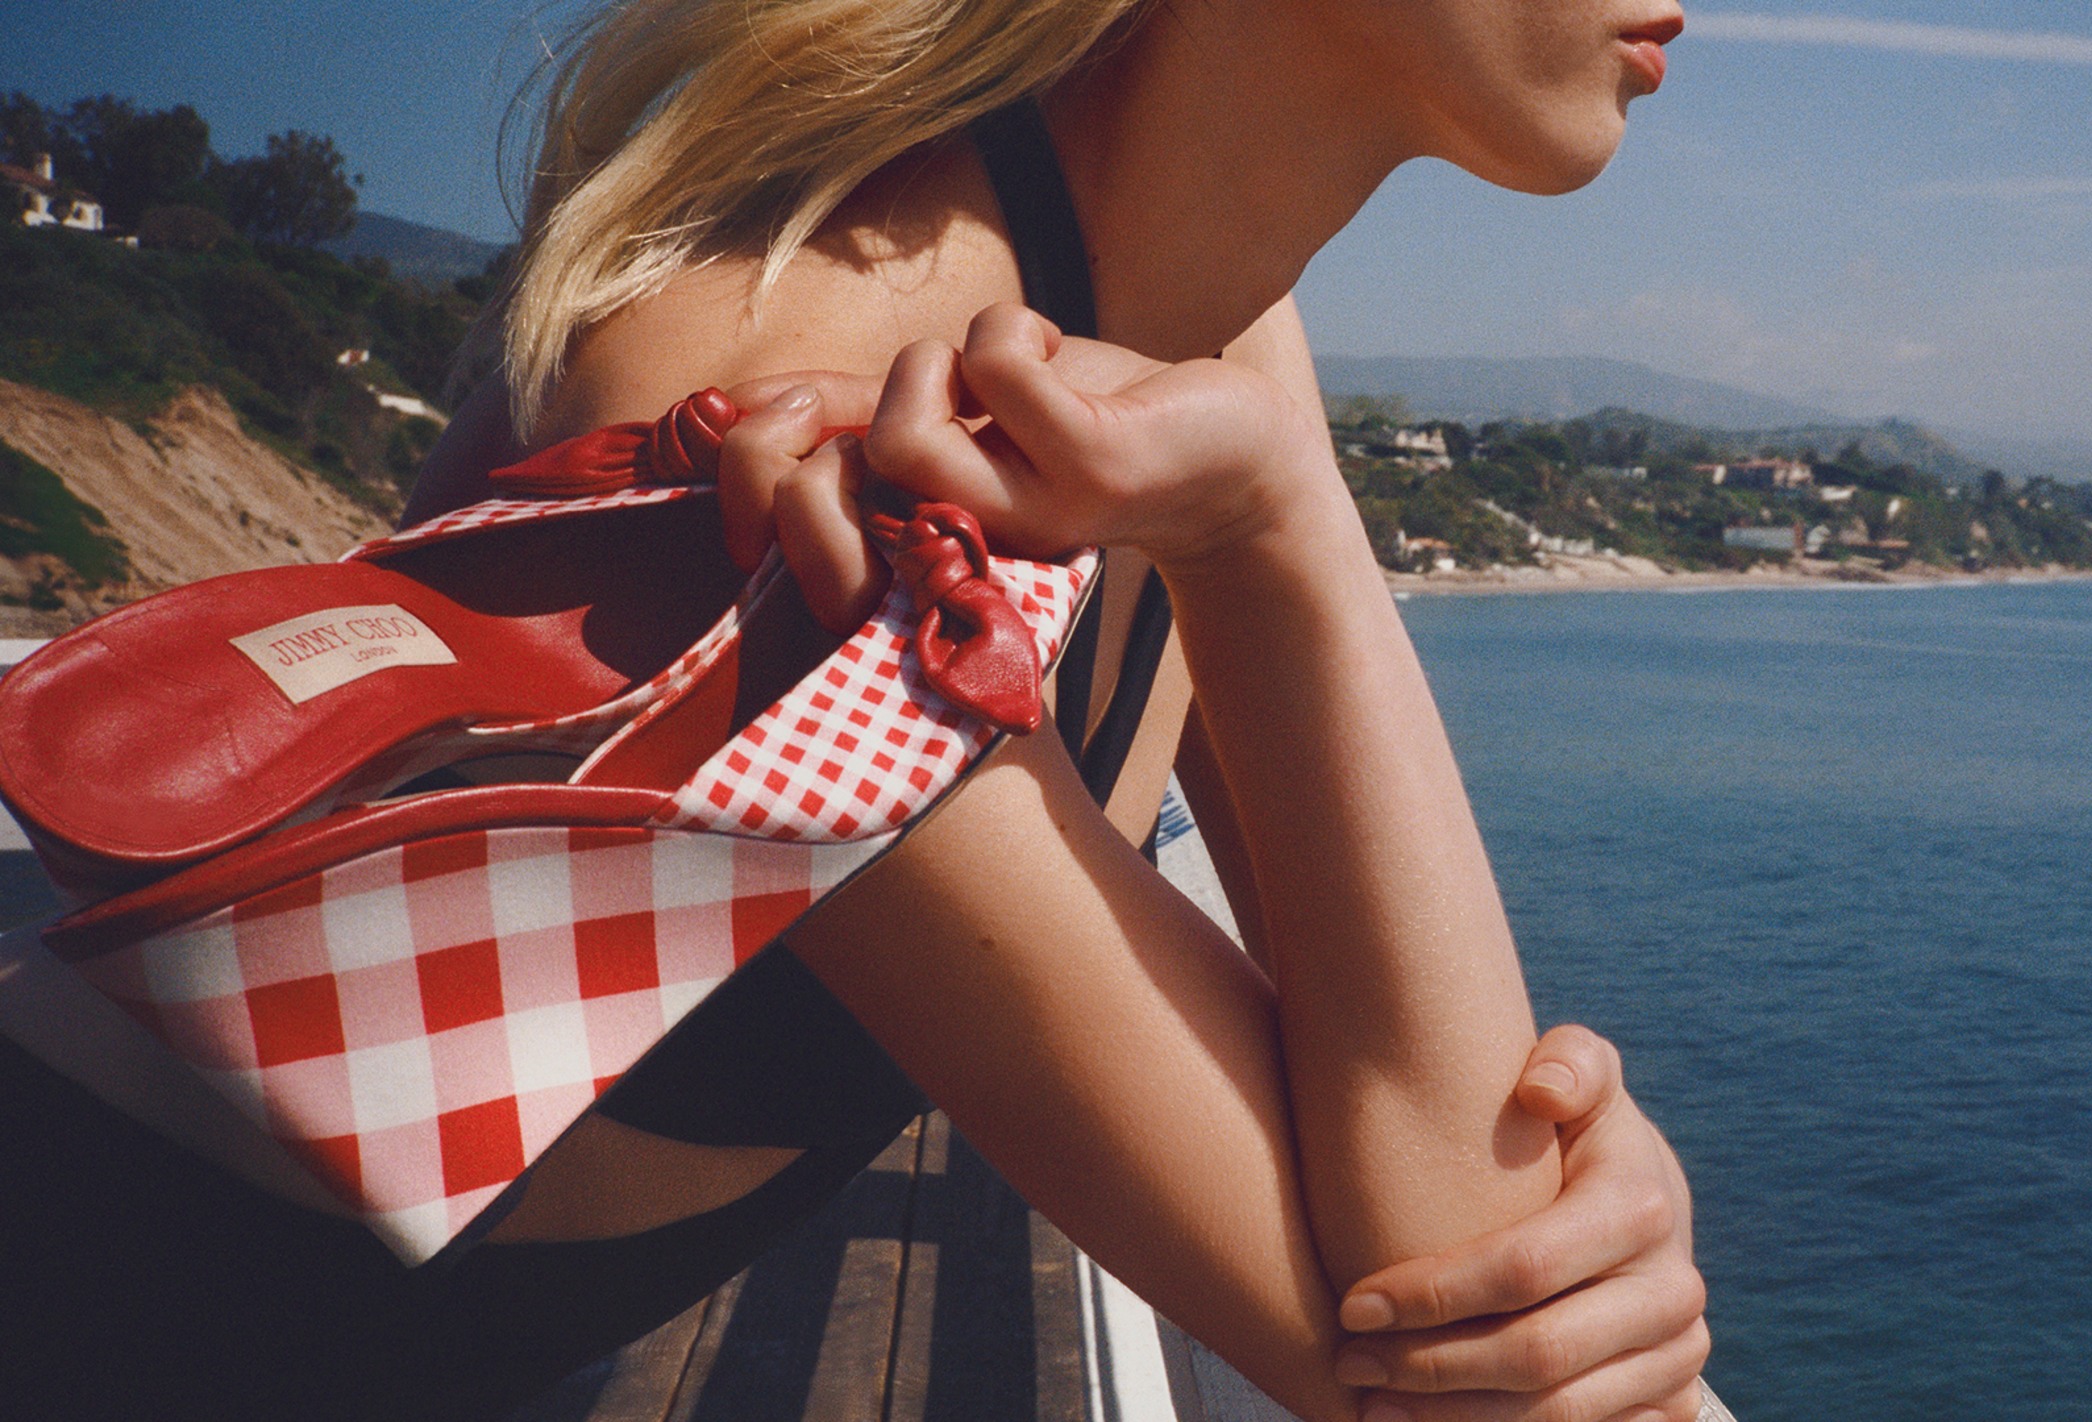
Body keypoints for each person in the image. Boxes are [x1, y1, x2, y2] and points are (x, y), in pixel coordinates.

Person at [0, 0, 1704, 1418]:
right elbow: (1429, 1352)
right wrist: (1274, 526)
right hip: (113, 1304)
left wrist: (1605, 1201)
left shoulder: (1218, 332)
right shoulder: (776, 382)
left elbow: (1455, 1178)